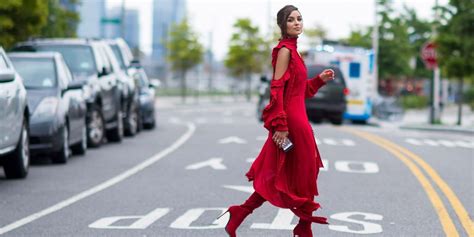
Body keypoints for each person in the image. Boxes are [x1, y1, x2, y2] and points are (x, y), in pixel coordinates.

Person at [218, 5, 335, 237]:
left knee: (286, 173)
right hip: (291, 122)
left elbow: (299, 91)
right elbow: (277, 89)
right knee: (300, 172)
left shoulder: (296, 52)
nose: (297, 23)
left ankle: (241, 213)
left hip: (299, 119)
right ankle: (304, 228)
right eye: (291, 20)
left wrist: (319, 80)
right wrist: (281, 125)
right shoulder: (284, 51)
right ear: (283, 25)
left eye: (299, 19)